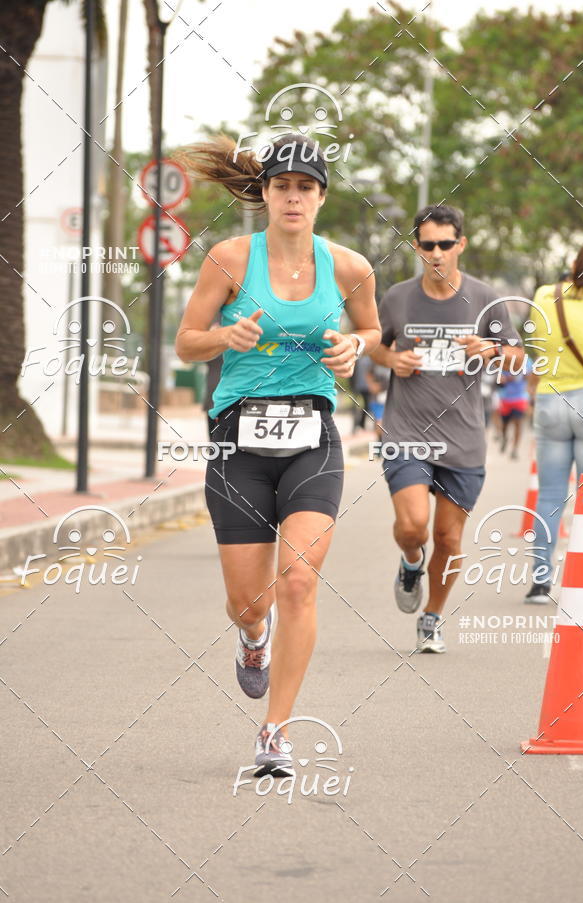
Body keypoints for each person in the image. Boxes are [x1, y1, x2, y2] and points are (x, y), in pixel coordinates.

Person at [175, 134, 381, 773]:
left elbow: (371, 328)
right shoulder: (231, 259)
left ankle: (275, 732)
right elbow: (186, 342)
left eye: (305, 187)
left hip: (311, 438)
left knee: (297, 580)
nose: (294, 197)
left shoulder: (349, 267)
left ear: (321, 197)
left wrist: (355, 346)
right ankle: (252, 638)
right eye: (282, 186)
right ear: (264, 193)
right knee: (249, 602)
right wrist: (223, 336)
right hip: (238, 441)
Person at [370, 204, 523, 652]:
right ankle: (410, 561)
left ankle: (432, 616)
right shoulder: (397, 297)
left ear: (461, 245)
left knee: (448, 537)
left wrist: (491, 350)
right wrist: (392, 358)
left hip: (463, 437)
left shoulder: (485, 298)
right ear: (416, 247)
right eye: (427, 245)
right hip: (407, 432)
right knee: (414, 527)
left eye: (445, 244)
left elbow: (518, 360)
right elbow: (372, 344)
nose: (436, 253)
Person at [524, 236, 583, 604]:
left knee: (550, 495)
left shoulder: (544, 296)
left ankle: (540, 582)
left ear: (576, 262)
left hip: (550, 400)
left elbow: (536, 348)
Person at [498, 363, 531, 459]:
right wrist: (507, 378)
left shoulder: (527, 362)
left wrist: (523, 375)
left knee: (518, 424)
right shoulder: (504, 361)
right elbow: (500, 380)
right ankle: (504, 438)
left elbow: (530, 376)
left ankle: (515, 449)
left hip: (520, 398)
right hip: (505, 398)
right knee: (504, 425)